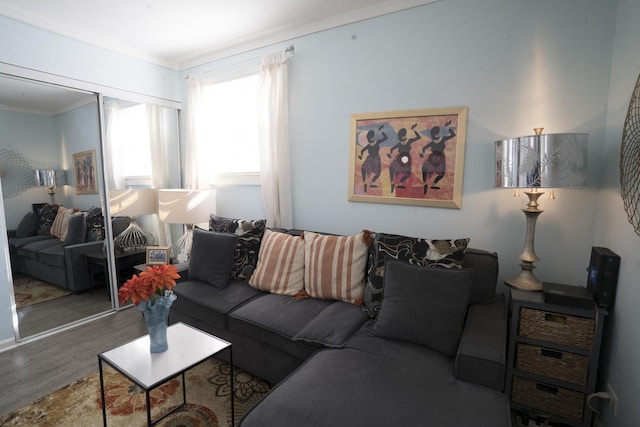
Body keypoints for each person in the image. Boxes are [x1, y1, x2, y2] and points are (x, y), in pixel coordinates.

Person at [419, 121, 456, 195]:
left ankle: (434, 184)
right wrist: (422, 153)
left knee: (441, 174)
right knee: (424, 168)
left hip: (441, 158)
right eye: (434, 134)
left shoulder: (443, 139)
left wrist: (448, 127)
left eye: (436, 133)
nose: (435, 135)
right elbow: (424, 148)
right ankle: (425, 183)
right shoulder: (432, 142)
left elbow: (453, 135)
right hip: (433, 158)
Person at [387, 123, 421, 193]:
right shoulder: (399, 144)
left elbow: (418, 137)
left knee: (407, 173)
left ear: (404, 136)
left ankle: (400, 182)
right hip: (399, 158)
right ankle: (392, 183)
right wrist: (390, 154)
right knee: (391, 167)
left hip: (407, 158)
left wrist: (414, 129)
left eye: (403, 136)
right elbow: (391, 149)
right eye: (401, 137)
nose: (402, 138)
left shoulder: (409, 141)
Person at [358, 125, 387, 192]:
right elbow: (385, 137)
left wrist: (361, 155)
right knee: (365, 168)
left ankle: (370, 182)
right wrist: (381, 131)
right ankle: (367, 182)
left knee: (373, 171)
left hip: (374, 159)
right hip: (373, 159)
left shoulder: (370, 144)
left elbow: (362, 151)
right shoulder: (376, 142)